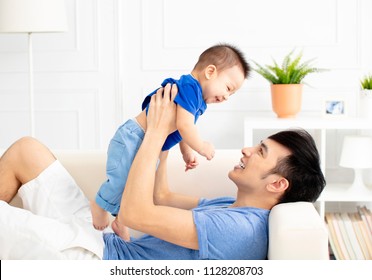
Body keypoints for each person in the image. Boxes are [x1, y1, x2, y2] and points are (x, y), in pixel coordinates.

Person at [0, 84, 325, 260]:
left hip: (97, 261)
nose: (246, 150)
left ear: (278, 183)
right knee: (27, 150)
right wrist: (168, 142)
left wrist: (155, 131)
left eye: (261, 152)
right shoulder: (230, 207)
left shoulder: (238, 229)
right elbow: (161, 197)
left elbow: (136, 212)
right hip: (105, 238)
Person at [91, 43, 250, 239]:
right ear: (210, 72)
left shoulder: (196, 98)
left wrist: (186, 152)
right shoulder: (190, 88)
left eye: (231, 94)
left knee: (136, 186)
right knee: (121, 180)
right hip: (133, 137)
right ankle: (99, 204)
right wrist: (200, 146)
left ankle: (120, 221)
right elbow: (185, 125)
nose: (226, 97)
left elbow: (182, 127)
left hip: (147, 142)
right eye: (228, 88)